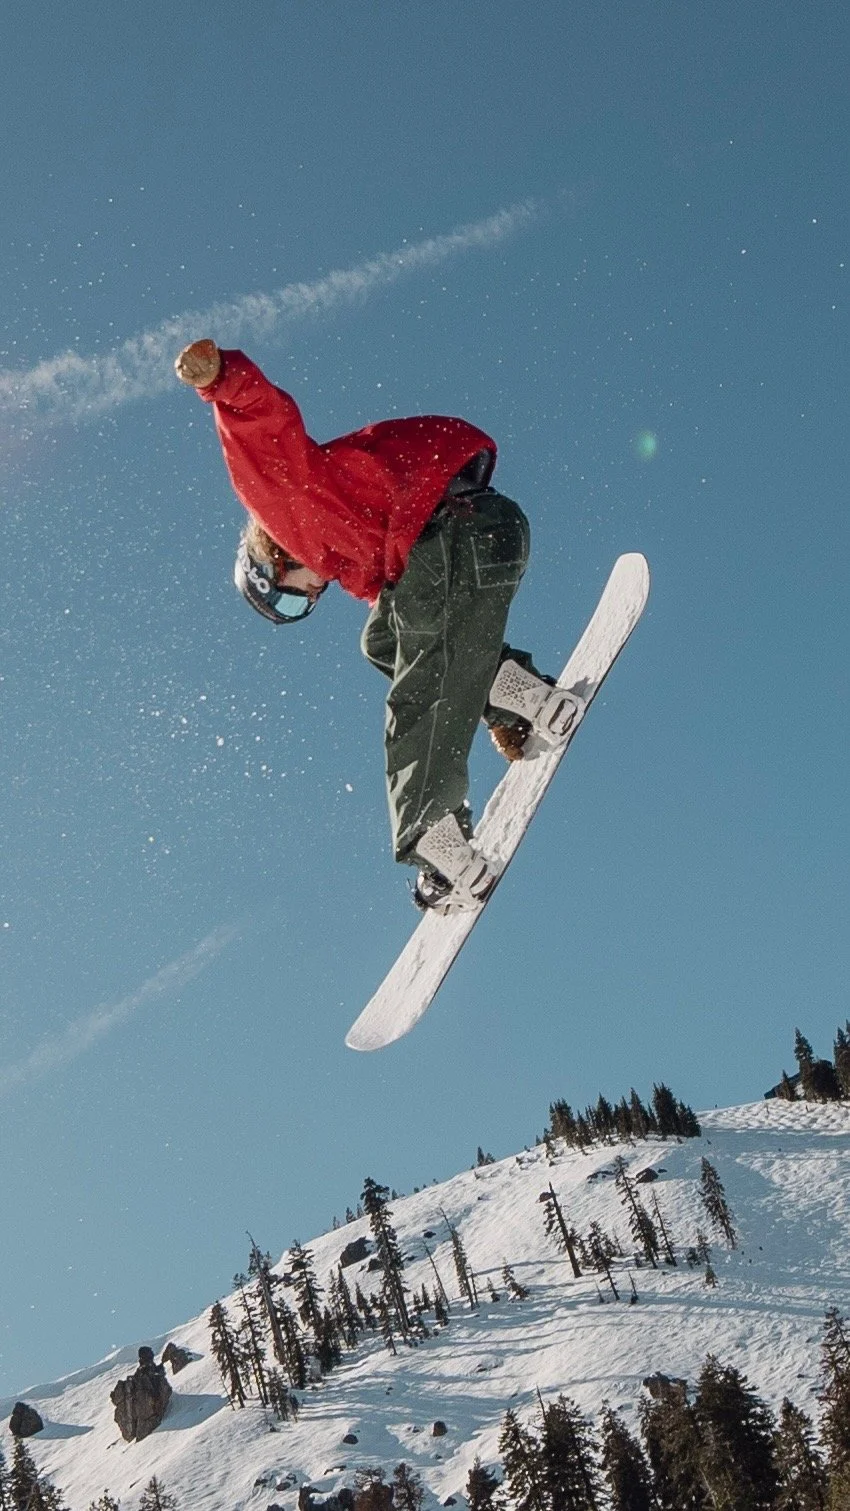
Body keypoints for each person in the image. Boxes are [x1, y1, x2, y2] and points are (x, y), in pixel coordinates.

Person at [175, 340, 580, 911]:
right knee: (384, 638)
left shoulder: (291, 506)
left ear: (273, 562)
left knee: (421, 676)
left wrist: (219, 380)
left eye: (290, 602)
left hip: (455, 533)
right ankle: (511, 690)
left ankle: (433, 834)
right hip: (480, 538)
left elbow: (261, 432)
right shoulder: (356, 561)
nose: (311, 599)